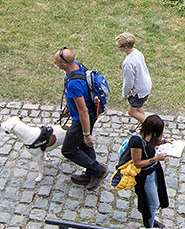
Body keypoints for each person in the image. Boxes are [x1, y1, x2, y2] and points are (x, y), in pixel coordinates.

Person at [56, 47, 106, 185]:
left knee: (68, 150)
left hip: (82, 119)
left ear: (64, 64)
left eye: (56, 62)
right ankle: (90, 173)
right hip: (89, 113)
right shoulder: (77, 66)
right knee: (84, 145)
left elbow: (83, 110)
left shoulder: (74, 84)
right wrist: (69, 107)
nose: (55, 64)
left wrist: (86, 133)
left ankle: (97, 170)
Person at [129, 113, 171, 228]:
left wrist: (165, 141)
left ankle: (151, 220)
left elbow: (151, 142)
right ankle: (149, 225)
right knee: (152, 203)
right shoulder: (136, 141)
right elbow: (137, 163)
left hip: (153, 171)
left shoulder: (148, 133)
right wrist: (156, 159)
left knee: (157, 197)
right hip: (144, 176)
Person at [118, 32, 153, 125]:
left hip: (138, 91)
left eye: (119, 46)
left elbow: (128, 82)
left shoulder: (128, 62)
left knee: (132, 112)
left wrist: (124, 94)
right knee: (138, 107)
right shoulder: (137, 52)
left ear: (125, 47)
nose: (118, 48)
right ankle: (143, 127)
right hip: (145, 85)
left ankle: (150, 126)